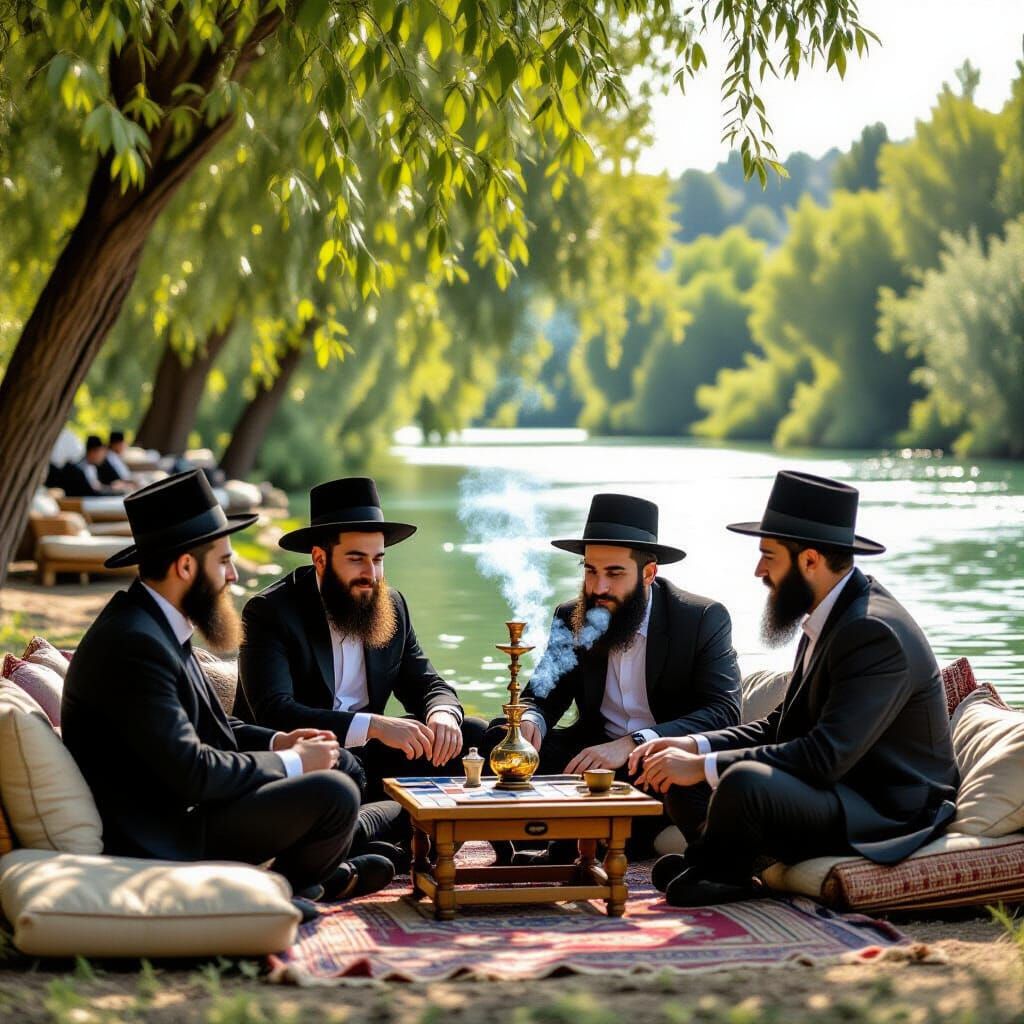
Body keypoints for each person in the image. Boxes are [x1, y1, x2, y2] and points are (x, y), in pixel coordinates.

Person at [61, 471, 394, 919]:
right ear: (185, 567)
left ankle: (326, 871)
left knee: (343, 763)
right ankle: (289, 889)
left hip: (192, 806)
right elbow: (193, 772)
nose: (233, 575)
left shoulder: (157, 625)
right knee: (334, 793)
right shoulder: (133, 644)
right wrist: (295, 764)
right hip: (165, 834)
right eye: (223, 562)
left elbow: (212, 729)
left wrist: (284, 744)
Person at [631, 470, 958, 907]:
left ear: (809, 561)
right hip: (834, 791)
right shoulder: (827, 614)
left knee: (742, 781)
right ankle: (718, 865)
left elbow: (823, 757)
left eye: (768, 556)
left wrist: (706, 766)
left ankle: (721, 871)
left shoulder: (871, 631)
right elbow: (780, 726)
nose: (758, 570)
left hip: (884, 811)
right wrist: (693, 746)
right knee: (681, 771)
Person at [488, 492, 742, 863]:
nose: (598, 587)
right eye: (590, 571)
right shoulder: (572, 616)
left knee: (664, 789)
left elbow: (723, 712)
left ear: (649, 574)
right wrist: (530, 721)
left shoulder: (702, 618)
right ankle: (519, 842)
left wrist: (633, 743)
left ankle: (568, 847)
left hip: (659, 764)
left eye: (614, 573)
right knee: (496, 735)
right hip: (589, 757)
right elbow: (542, 694)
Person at [237, 477, 487, 805]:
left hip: (370, 759)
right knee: (346, 767)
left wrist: (442, 714)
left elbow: (426, 684)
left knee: (473, 734)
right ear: (320, 559)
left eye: (378, 559)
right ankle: (385, 827)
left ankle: (402, 829)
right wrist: (374, 726)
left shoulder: (391, 604)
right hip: (304, 765)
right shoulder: (270, 612)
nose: (371, 573)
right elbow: (275, 713)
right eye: (356, 559)